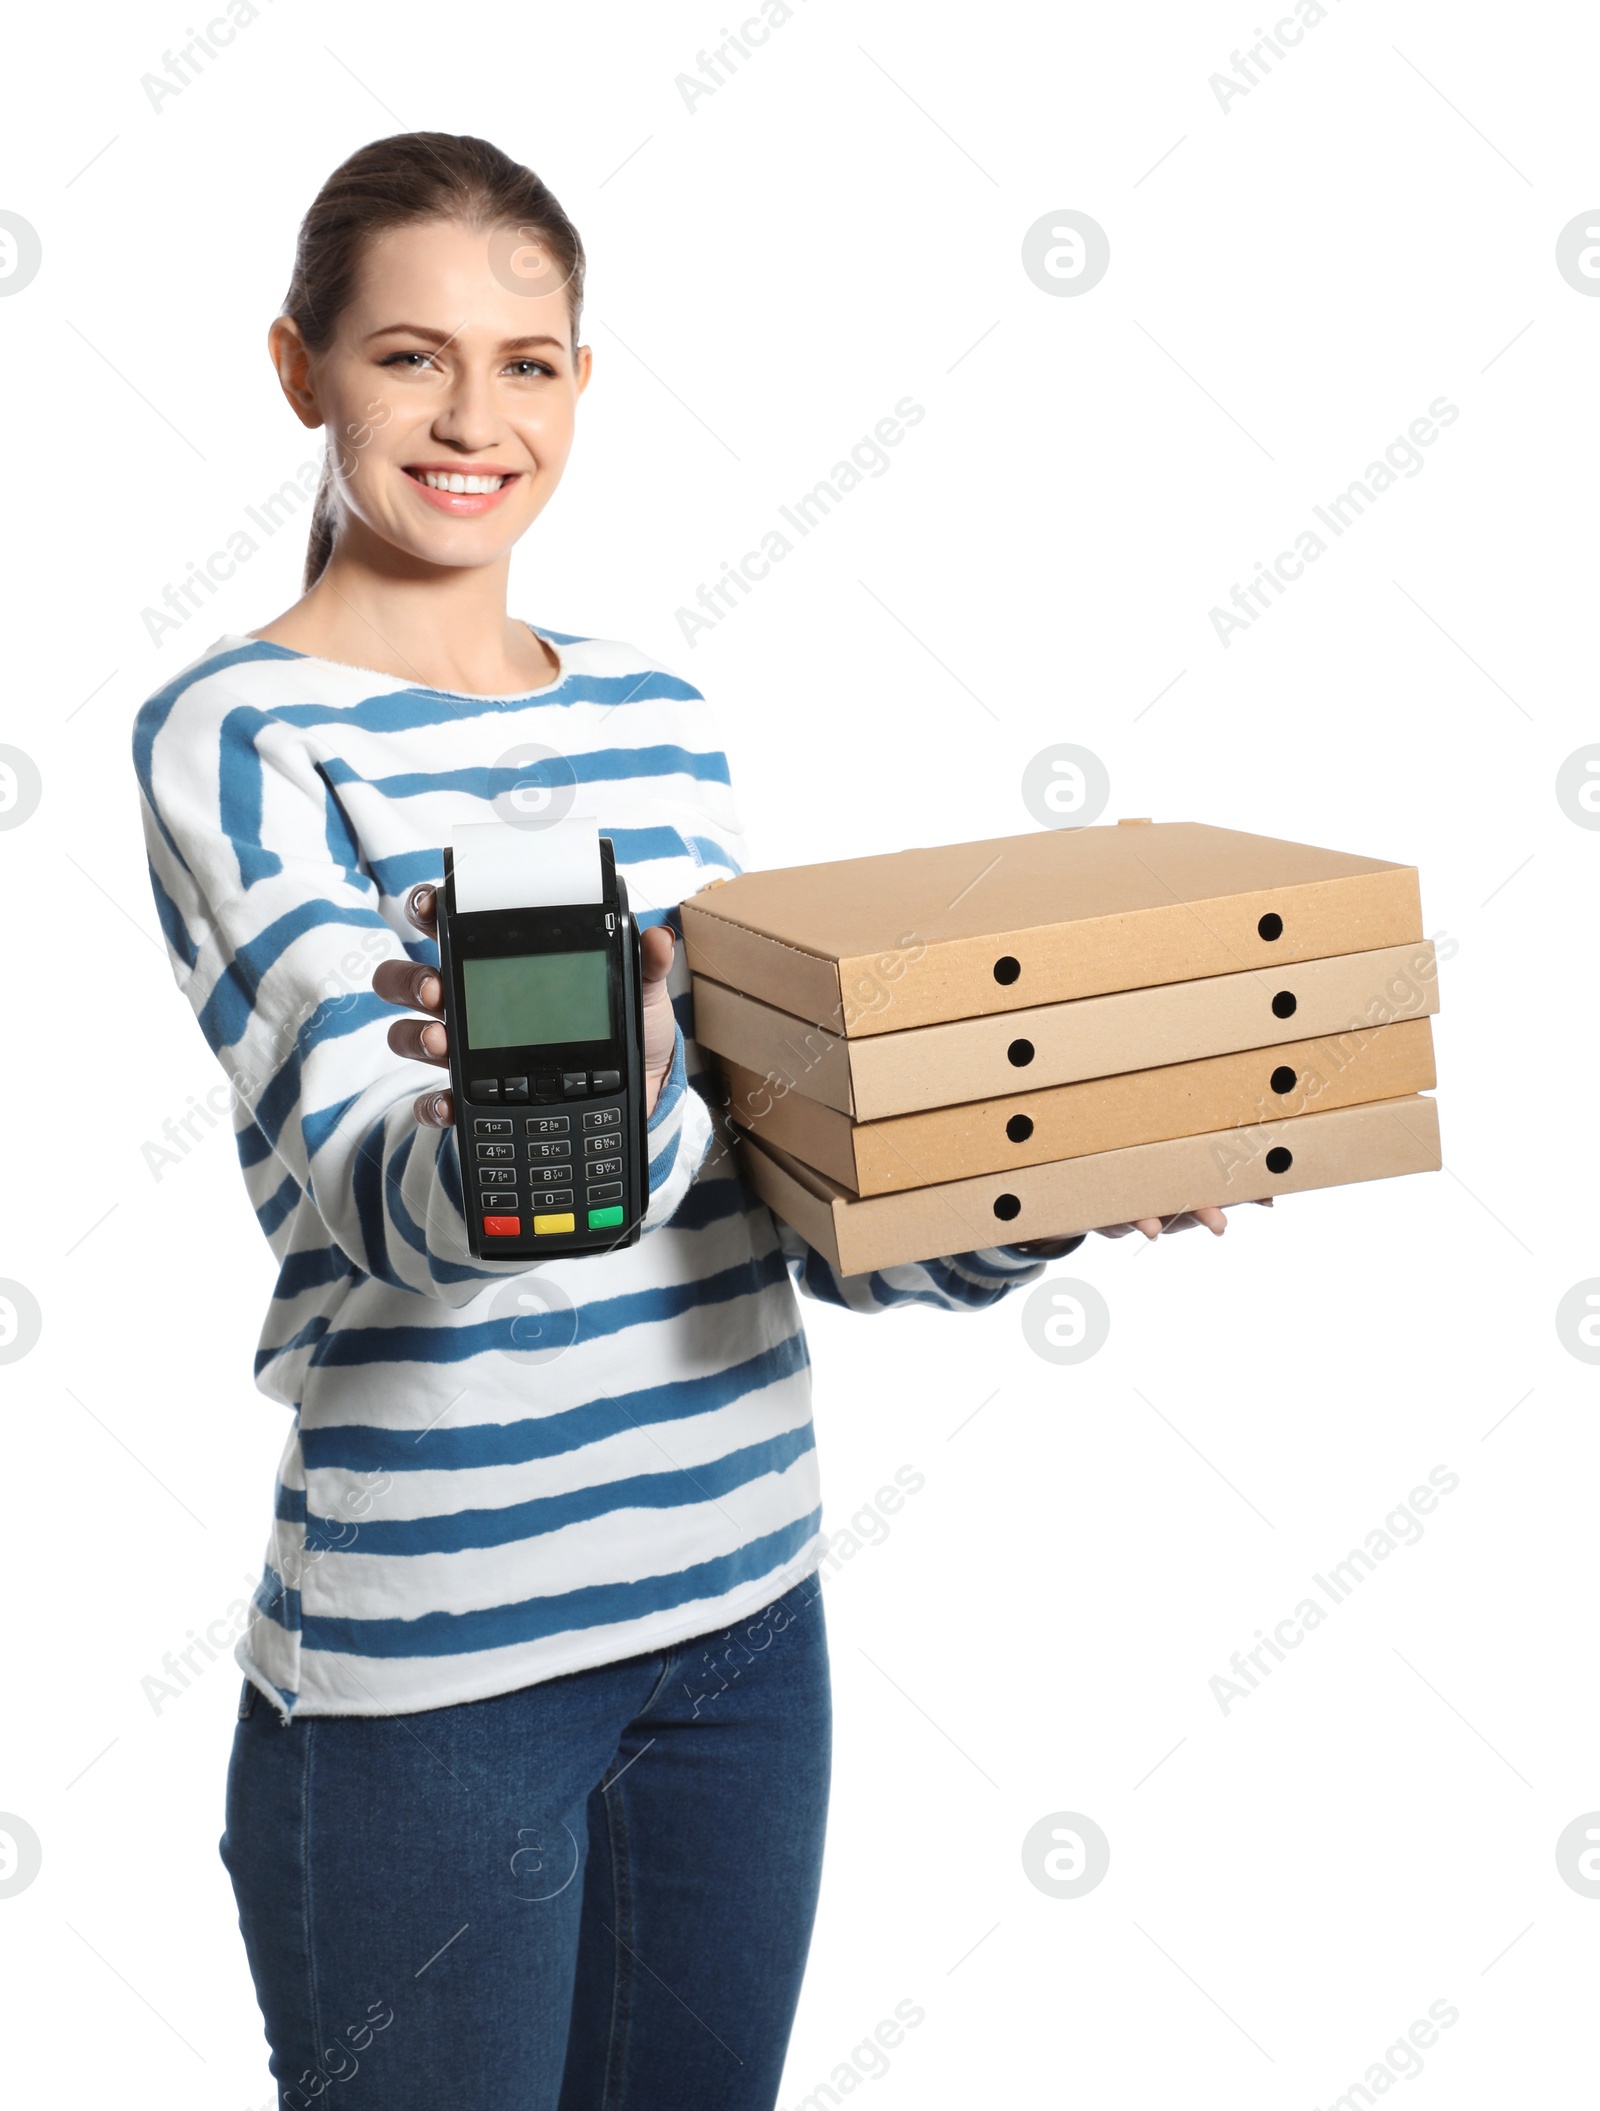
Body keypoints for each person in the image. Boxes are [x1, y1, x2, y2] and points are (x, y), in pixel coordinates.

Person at [132, 131, 1247, 2111]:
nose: (473, 417)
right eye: (408, 357)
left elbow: (790, 1211)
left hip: (742, 1617)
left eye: (528, 360)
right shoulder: (242, 731)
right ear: (300, 370)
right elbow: (399, 1197)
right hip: (440, 1674)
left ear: (578, 383)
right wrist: (588, 1098)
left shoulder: (658, 714)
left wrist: (1039, 1170)